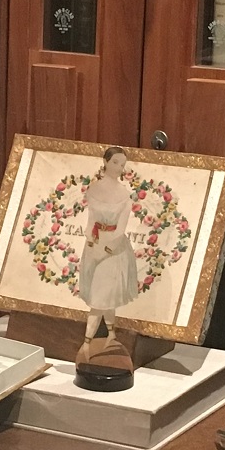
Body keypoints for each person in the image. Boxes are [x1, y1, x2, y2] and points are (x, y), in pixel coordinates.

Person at [76, 146, 139, 357]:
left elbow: (120, 229)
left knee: (100, 297)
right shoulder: (94, 189)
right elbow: (91, 219)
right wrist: (90, 239)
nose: (119, 168)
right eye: (115, 163)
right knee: (104, 296)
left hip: (114, 249)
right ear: (105, 161)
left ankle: (86, 344)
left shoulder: (124, 195)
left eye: (122, 165)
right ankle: (111, 334)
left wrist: (108, 248)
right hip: (95, 243)